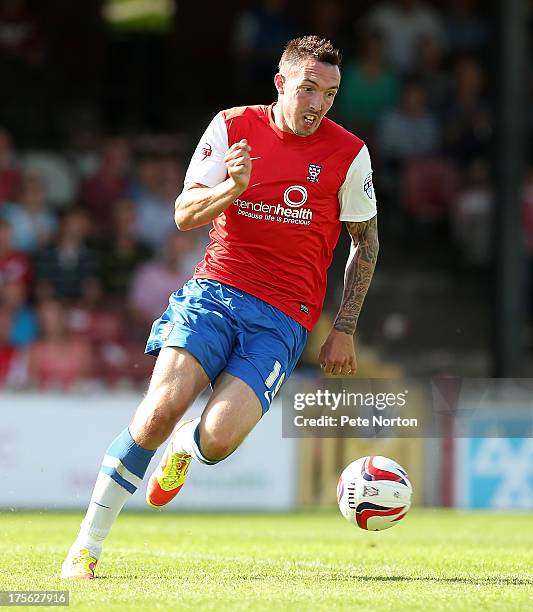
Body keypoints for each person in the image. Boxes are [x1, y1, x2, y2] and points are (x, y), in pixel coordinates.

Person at [61, 35, 379, 579]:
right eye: (308, 89)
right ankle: (86, 547)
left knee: (219, 438)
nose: (319, 104)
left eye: (330, 92)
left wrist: (344, 326)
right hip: (216, 291)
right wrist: (232, 189)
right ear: (281, 84)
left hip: (285, 318)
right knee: (158, 411)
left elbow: (365, 241)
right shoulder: (232, 127)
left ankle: (190, 444)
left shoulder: (348, 153)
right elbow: (185, 214)